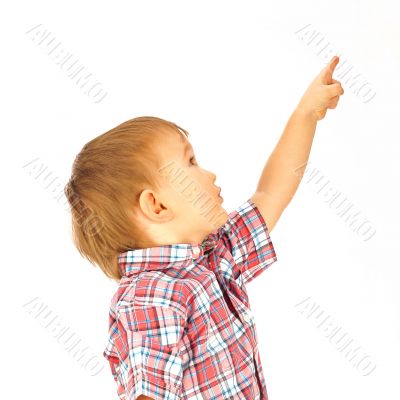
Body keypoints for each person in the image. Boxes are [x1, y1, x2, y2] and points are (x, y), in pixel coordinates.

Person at [64, 56, 344, 399]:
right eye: (190, 162)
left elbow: (271, 193)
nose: (208, 174)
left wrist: (305, 114)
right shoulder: (151, 297)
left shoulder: (213, 257)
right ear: (157, 205)